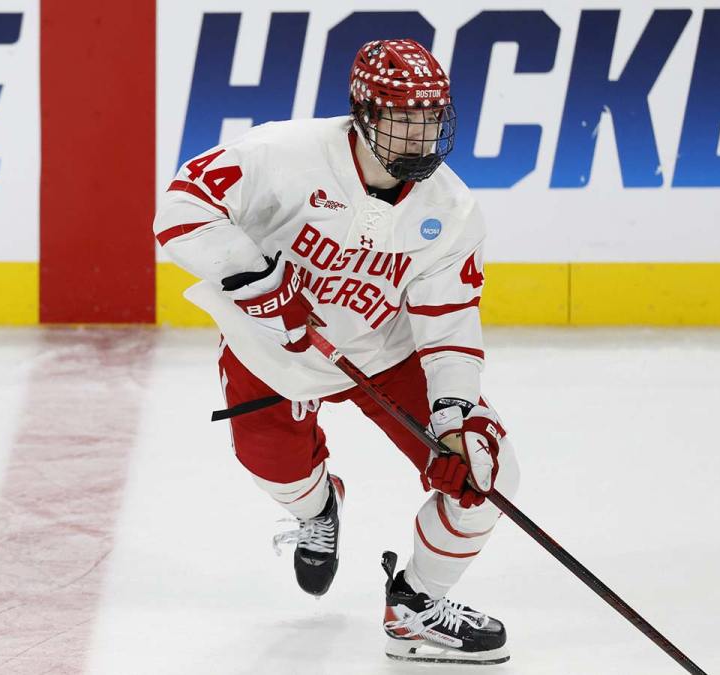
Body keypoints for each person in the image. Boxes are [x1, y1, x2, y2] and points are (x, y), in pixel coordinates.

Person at [152, 38, 519, 665]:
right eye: (404, 121)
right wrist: (258, 283)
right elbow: (180, 206)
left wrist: (455, 422)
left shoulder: (452, 211)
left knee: (488, 473)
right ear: (366, 115)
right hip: (274, 352)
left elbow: (449, 324)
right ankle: (319, 508)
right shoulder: (284, 154)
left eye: (431, 121)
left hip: (385, 353)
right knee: (275, 470)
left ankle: (416, 608)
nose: (421, 138)